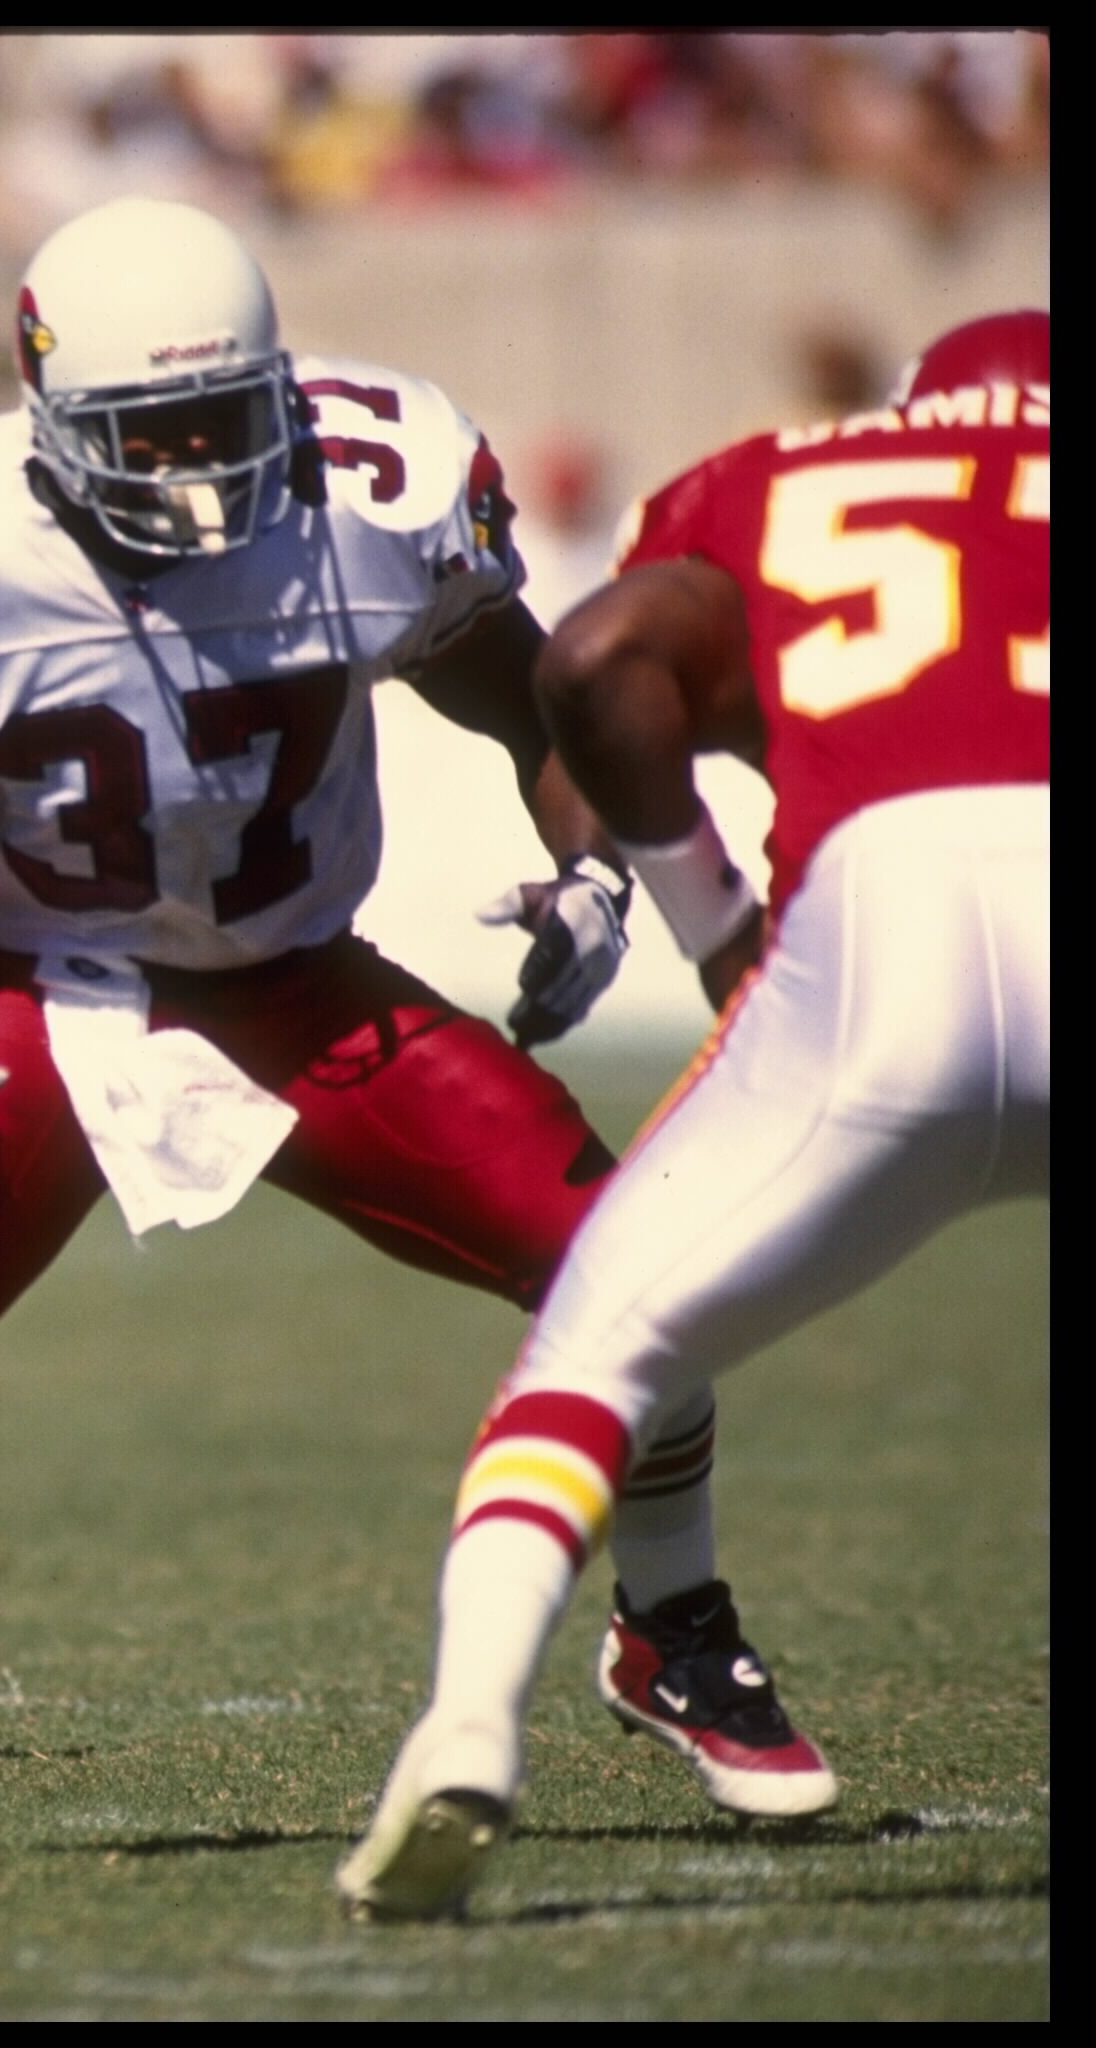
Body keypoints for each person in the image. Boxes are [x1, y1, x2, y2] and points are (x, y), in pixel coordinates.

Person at [0, 193, 817, 1882]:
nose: (203, 466)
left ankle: (677, 1629)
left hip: (305, 991)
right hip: (52, 993)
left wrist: (590, 875)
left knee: (637, 1264)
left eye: (227, 419)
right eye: (155, 432)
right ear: (52, 425)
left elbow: (537, 703)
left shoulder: (369, 490)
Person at [336, 310, 1050, 1921]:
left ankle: (466, 1728)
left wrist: (710, 912)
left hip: (892, 942)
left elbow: (592, 664)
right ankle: (668, 1645)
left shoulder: (778, 477)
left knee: (600, 1347)